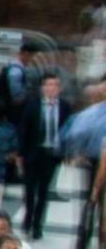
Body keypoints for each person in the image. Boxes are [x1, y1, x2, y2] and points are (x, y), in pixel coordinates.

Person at [17, 73, 72, 240]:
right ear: (42, 87)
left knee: (43, 192)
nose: (51, 88)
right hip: (33, 153)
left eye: (55, 85)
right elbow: (23, 129)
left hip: (51, 154)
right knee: (29, 190)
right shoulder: (32, 105)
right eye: (48, 85)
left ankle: (38, 225)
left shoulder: (64, 106)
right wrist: (20, 154)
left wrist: (66, 152)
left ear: (59, 88)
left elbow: (67, 130)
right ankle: (28, 220)